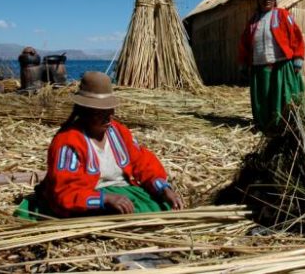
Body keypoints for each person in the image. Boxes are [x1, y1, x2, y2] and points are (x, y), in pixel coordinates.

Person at [16, 71, 183, 219]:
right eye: (100, 112)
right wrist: (105, 199)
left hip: (125, 192)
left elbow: (143, 163)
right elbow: (65, 192)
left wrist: (164, 189)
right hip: (90, 198)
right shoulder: (68, 142)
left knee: (163, 207)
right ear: (84, 111)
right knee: (127, 215)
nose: (108, 117)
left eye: (110, 110)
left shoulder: (119, 132)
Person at [238, 0, 305, 133]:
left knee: (283, 96)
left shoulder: (282, 15)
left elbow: (296, 36)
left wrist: (298, 58)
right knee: (262, 98)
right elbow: (245, 44)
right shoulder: (253, 21)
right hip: (259, 66)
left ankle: (285, 125)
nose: (267, 0)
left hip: (281, 65)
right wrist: (243, 63)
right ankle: (264, 125)